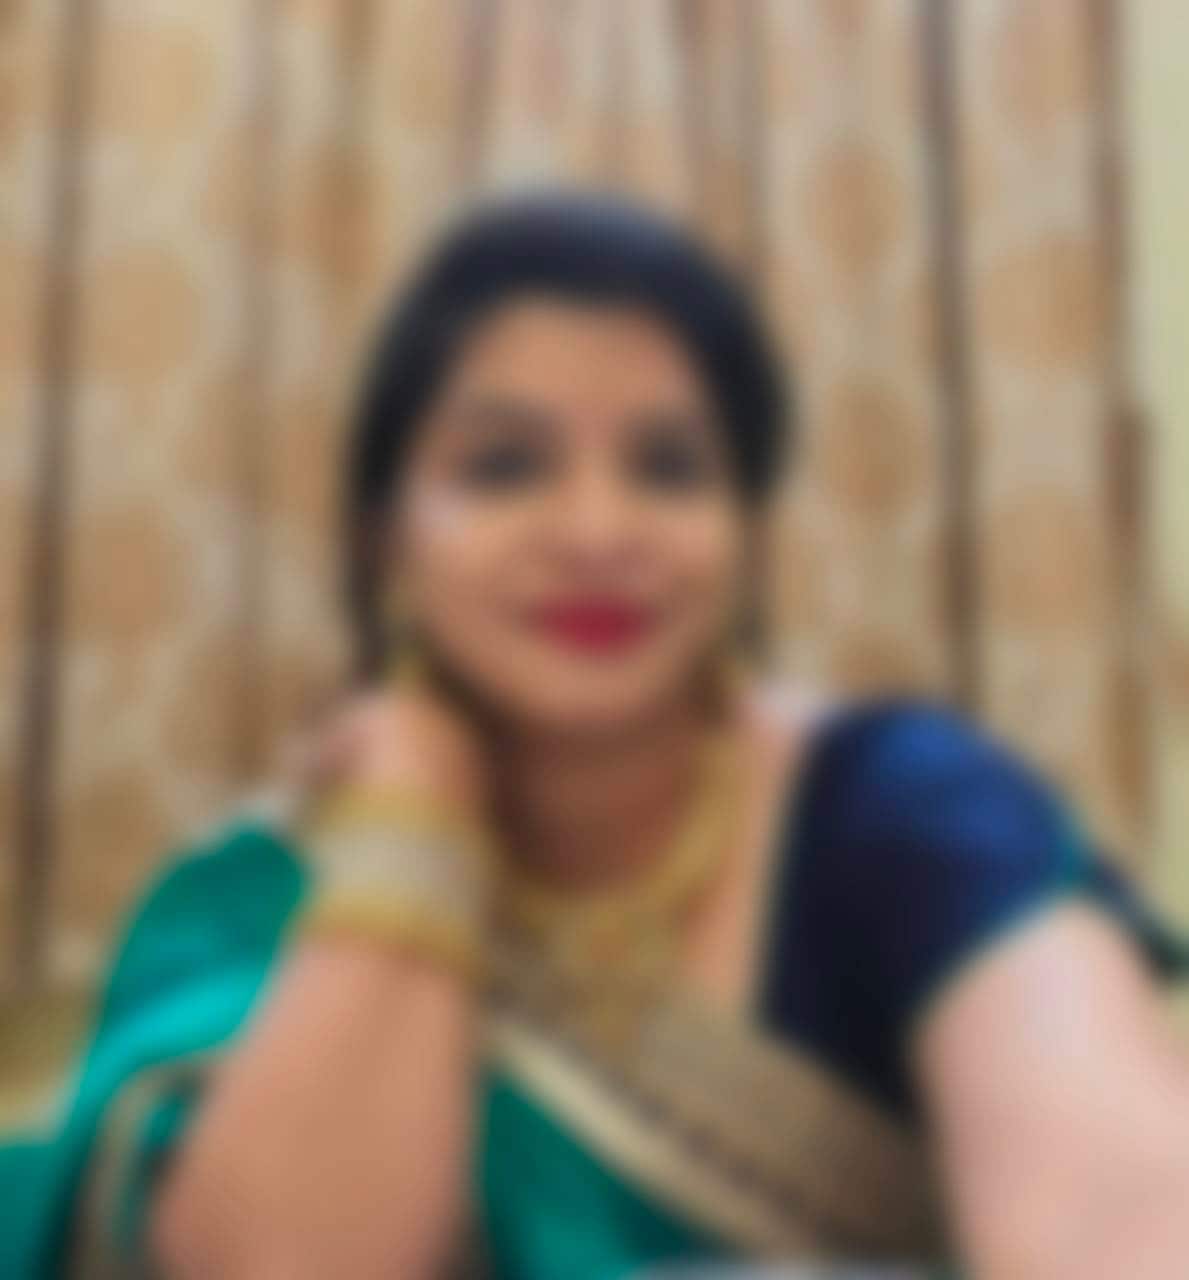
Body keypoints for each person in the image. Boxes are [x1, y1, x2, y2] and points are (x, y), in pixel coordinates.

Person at [4, 189, 1189, 1280]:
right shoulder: (260, 891)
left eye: (669, 467)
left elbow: (1124, 1216)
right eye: (504, 465)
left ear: (744, 531)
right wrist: (416, 823)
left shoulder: (904, 804)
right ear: (385, 536)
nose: (596, 528)